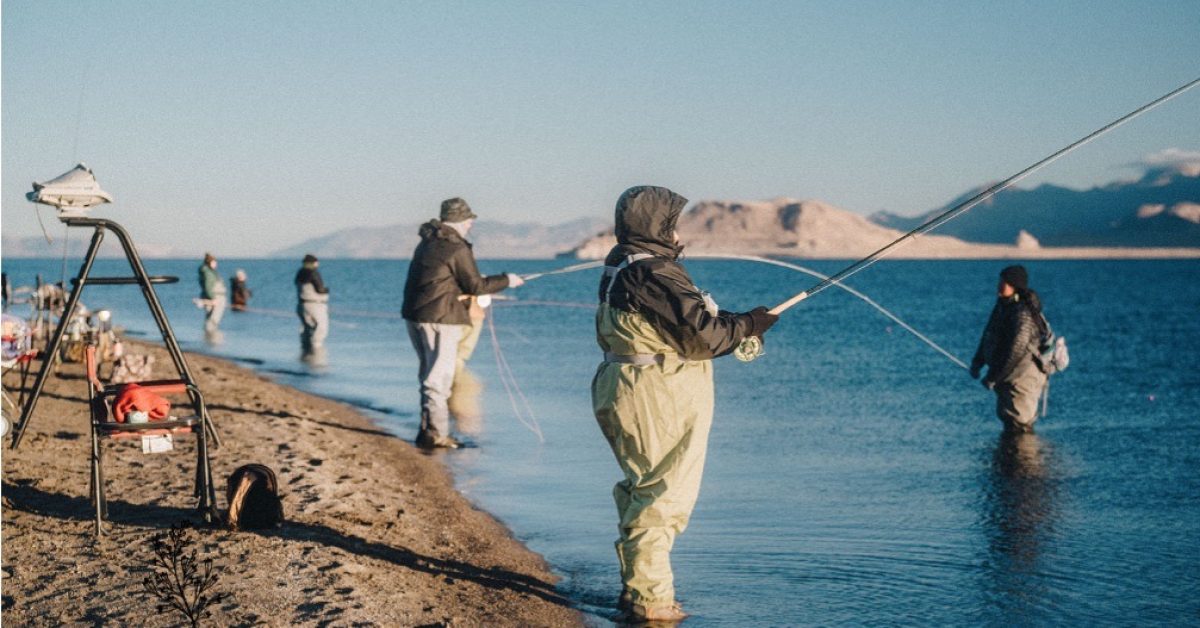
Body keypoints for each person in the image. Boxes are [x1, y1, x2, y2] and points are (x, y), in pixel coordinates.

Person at [591, 186, 779, 622]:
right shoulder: (654, 272)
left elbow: (685, 325)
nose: (677, 233)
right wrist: (750, 323)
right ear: (658, 227)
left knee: (643, 489)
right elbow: (705, 338)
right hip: (655, 396)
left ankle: (637, 588)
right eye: (672, 224)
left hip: (631, 387)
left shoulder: (625, 265)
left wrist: (742, 324)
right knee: (663, 496)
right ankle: (651, 603)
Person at [401, 197, 524, 449]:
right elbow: (475, 286)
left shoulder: (427, 243)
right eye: (469, 221)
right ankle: (437, 435)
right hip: (440, 318)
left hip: (416, 315)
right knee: (438, 379)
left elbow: (443, 279)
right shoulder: (456, 247)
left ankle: (427, 430)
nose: (470, 226)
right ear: (460, 221)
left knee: (428, 374)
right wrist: (507, 280)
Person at [970, 265, 1050, 433]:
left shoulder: (1023, 313)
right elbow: (988, 334)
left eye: (1004, 282)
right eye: (1000, 281)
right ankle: (1007, 458)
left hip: (1022, 378)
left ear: (1015, 286)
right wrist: (977, 362)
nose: (999, 285)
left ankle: (1023, 458)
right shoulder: (1002, 305)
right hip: (1007, 377)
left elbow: (1016, 351)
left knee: (1020, 424)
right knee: (1008, 420)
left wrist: (993, 377)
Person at [295, 254, 330, 362]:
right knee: (321, 328)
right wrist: (326, 290)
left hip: (302, 305)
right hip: (315, 305)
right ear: (314, 263)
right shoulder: (314, 273)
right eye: (316, 262)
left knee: (307, 329)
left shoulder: (299, 273)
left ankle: (305, 355)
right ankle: (316, 356)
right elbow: (320, 289)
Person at [197, 253, 227, 334]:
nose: (216, 264)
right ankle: (211, 337)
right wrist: (213, 298)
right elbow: (208, 286)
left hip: (213, 297)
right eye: (215, 262)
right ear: (210, 262)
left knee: (210, 318)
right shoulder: (209, 273)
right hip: (215, 298)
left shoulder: (208, 272)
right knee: (213, 319)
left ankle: (209, 338)